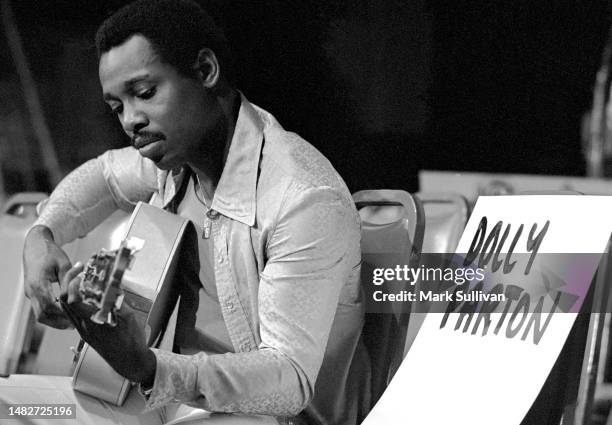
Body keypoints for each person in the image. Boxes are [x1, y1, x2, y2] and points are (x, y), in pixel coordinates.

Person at [18, 1, 368, 424]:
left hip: (258, 417)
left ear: (205, 71)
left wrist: (147, 366)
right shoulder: (173, 162)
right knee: (13, 408)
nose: (131, 120)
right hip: (158, 401)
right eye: (117, 107)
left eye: (145, 93)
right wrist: (41, 236)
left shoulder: (302, 196)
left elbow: (289, 380)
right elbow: (105, 175)